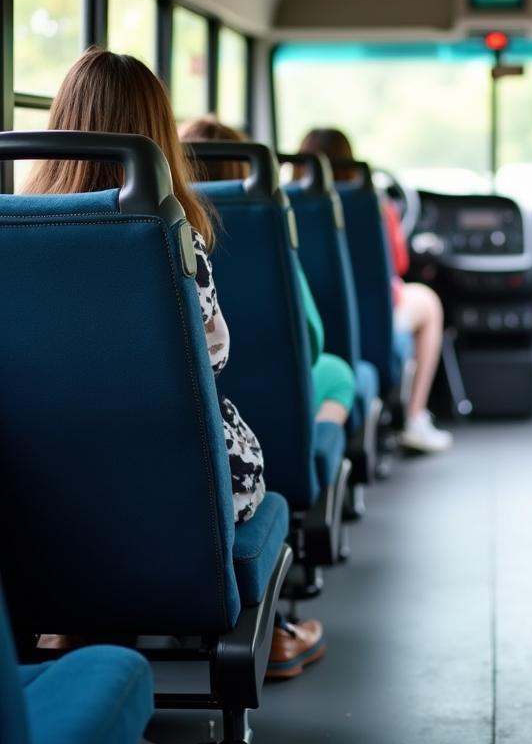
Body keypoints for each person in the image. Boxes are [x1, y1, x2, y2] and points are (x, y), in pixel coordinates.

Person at [23, 54, 321, 678]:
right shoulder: (168, 241)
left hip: (35, 485)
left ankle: (73, 633)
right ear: (158, 138)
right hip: (177, 484)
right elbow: (210, 360)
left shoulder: (12, 234)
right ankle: (259, 631)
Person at [179, 117, 356, 431]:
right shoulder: (267, 230)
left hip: (188, 403)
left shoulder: (163, 233)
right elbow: (311, 338)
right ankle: (317, 456)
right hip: (273, 393)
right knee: (339, 373)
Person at [298, 127, 452, 454]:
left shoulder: (283, 203)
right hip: (373, 319)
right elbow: (396, 265)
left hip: (308, 313)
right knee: (428, 301)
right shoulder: (374, 205)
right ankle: (414, 417)